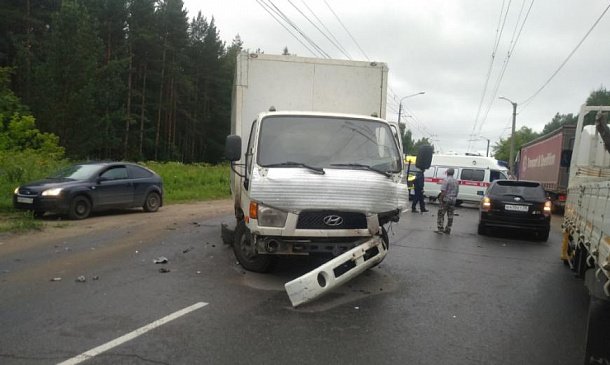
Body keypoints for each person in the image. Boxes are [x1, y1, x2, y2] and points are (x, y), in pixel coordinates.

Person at [436, 168, 459, 234]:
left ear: (447, 173)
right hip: (453, 200)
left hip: (446, 200)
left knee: (441, 213)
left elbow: (443, 191)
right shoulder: (456, 181)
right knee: (450, 215)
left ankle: (440, 228)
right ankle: (448, 229)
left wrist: (441, 199)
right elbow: (457, 191)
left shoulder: (446, 180)